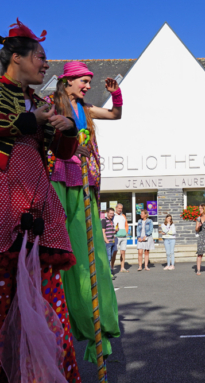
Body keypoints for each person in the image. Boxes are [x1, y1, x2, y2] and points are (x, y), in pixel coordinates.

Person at [0, 19, 81, 381]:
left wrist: (68, 130)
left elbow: (62, 154)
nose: (46, 64)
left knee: (50, 310)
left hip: (39, 210)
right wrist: (28, 122)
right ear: (16, 57)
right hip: (5, 208)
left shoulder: (41, 102)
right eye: (40, 56)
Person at [49, 60, 121, 364]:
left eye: (89, 81)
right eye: (83, 80)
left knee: (86, 249)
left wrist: (116, 95)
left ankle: (96, 325)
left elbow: (116, 115)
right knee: (57, 237)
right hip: (57, 175)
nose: (88, 85)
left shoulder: (88, 110)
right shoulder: (51, 106)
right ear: (68, 82)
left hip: (83, 180)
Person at [112, 203, 129, 273]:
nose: (120, 210)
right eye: (119, 208)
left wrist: (126, 232)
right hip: (116, 237)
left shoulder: (123, 216)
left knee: (123, 252)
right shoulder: (113, 216)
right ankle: (112, 267)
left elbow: (126, 225)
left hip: (123, 237)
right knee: (114, 252)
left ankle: (122, 268)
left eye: (121, 208)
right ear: (116, 208)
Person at [101, 207, 117, 276]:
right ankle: (108, 273)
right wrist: (106, 240)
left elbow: (111, 231)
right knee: (108, 258)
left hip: (112, 241)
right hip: (108, 242)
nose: (112, 215)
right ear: (107, 213)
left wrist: (115, 231)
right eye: (110, 213)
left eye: (113, 213)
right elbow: (103, 231)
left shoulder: (111, 221)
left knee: (111, 257)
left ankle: (109, 271)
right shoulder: (104, 220)